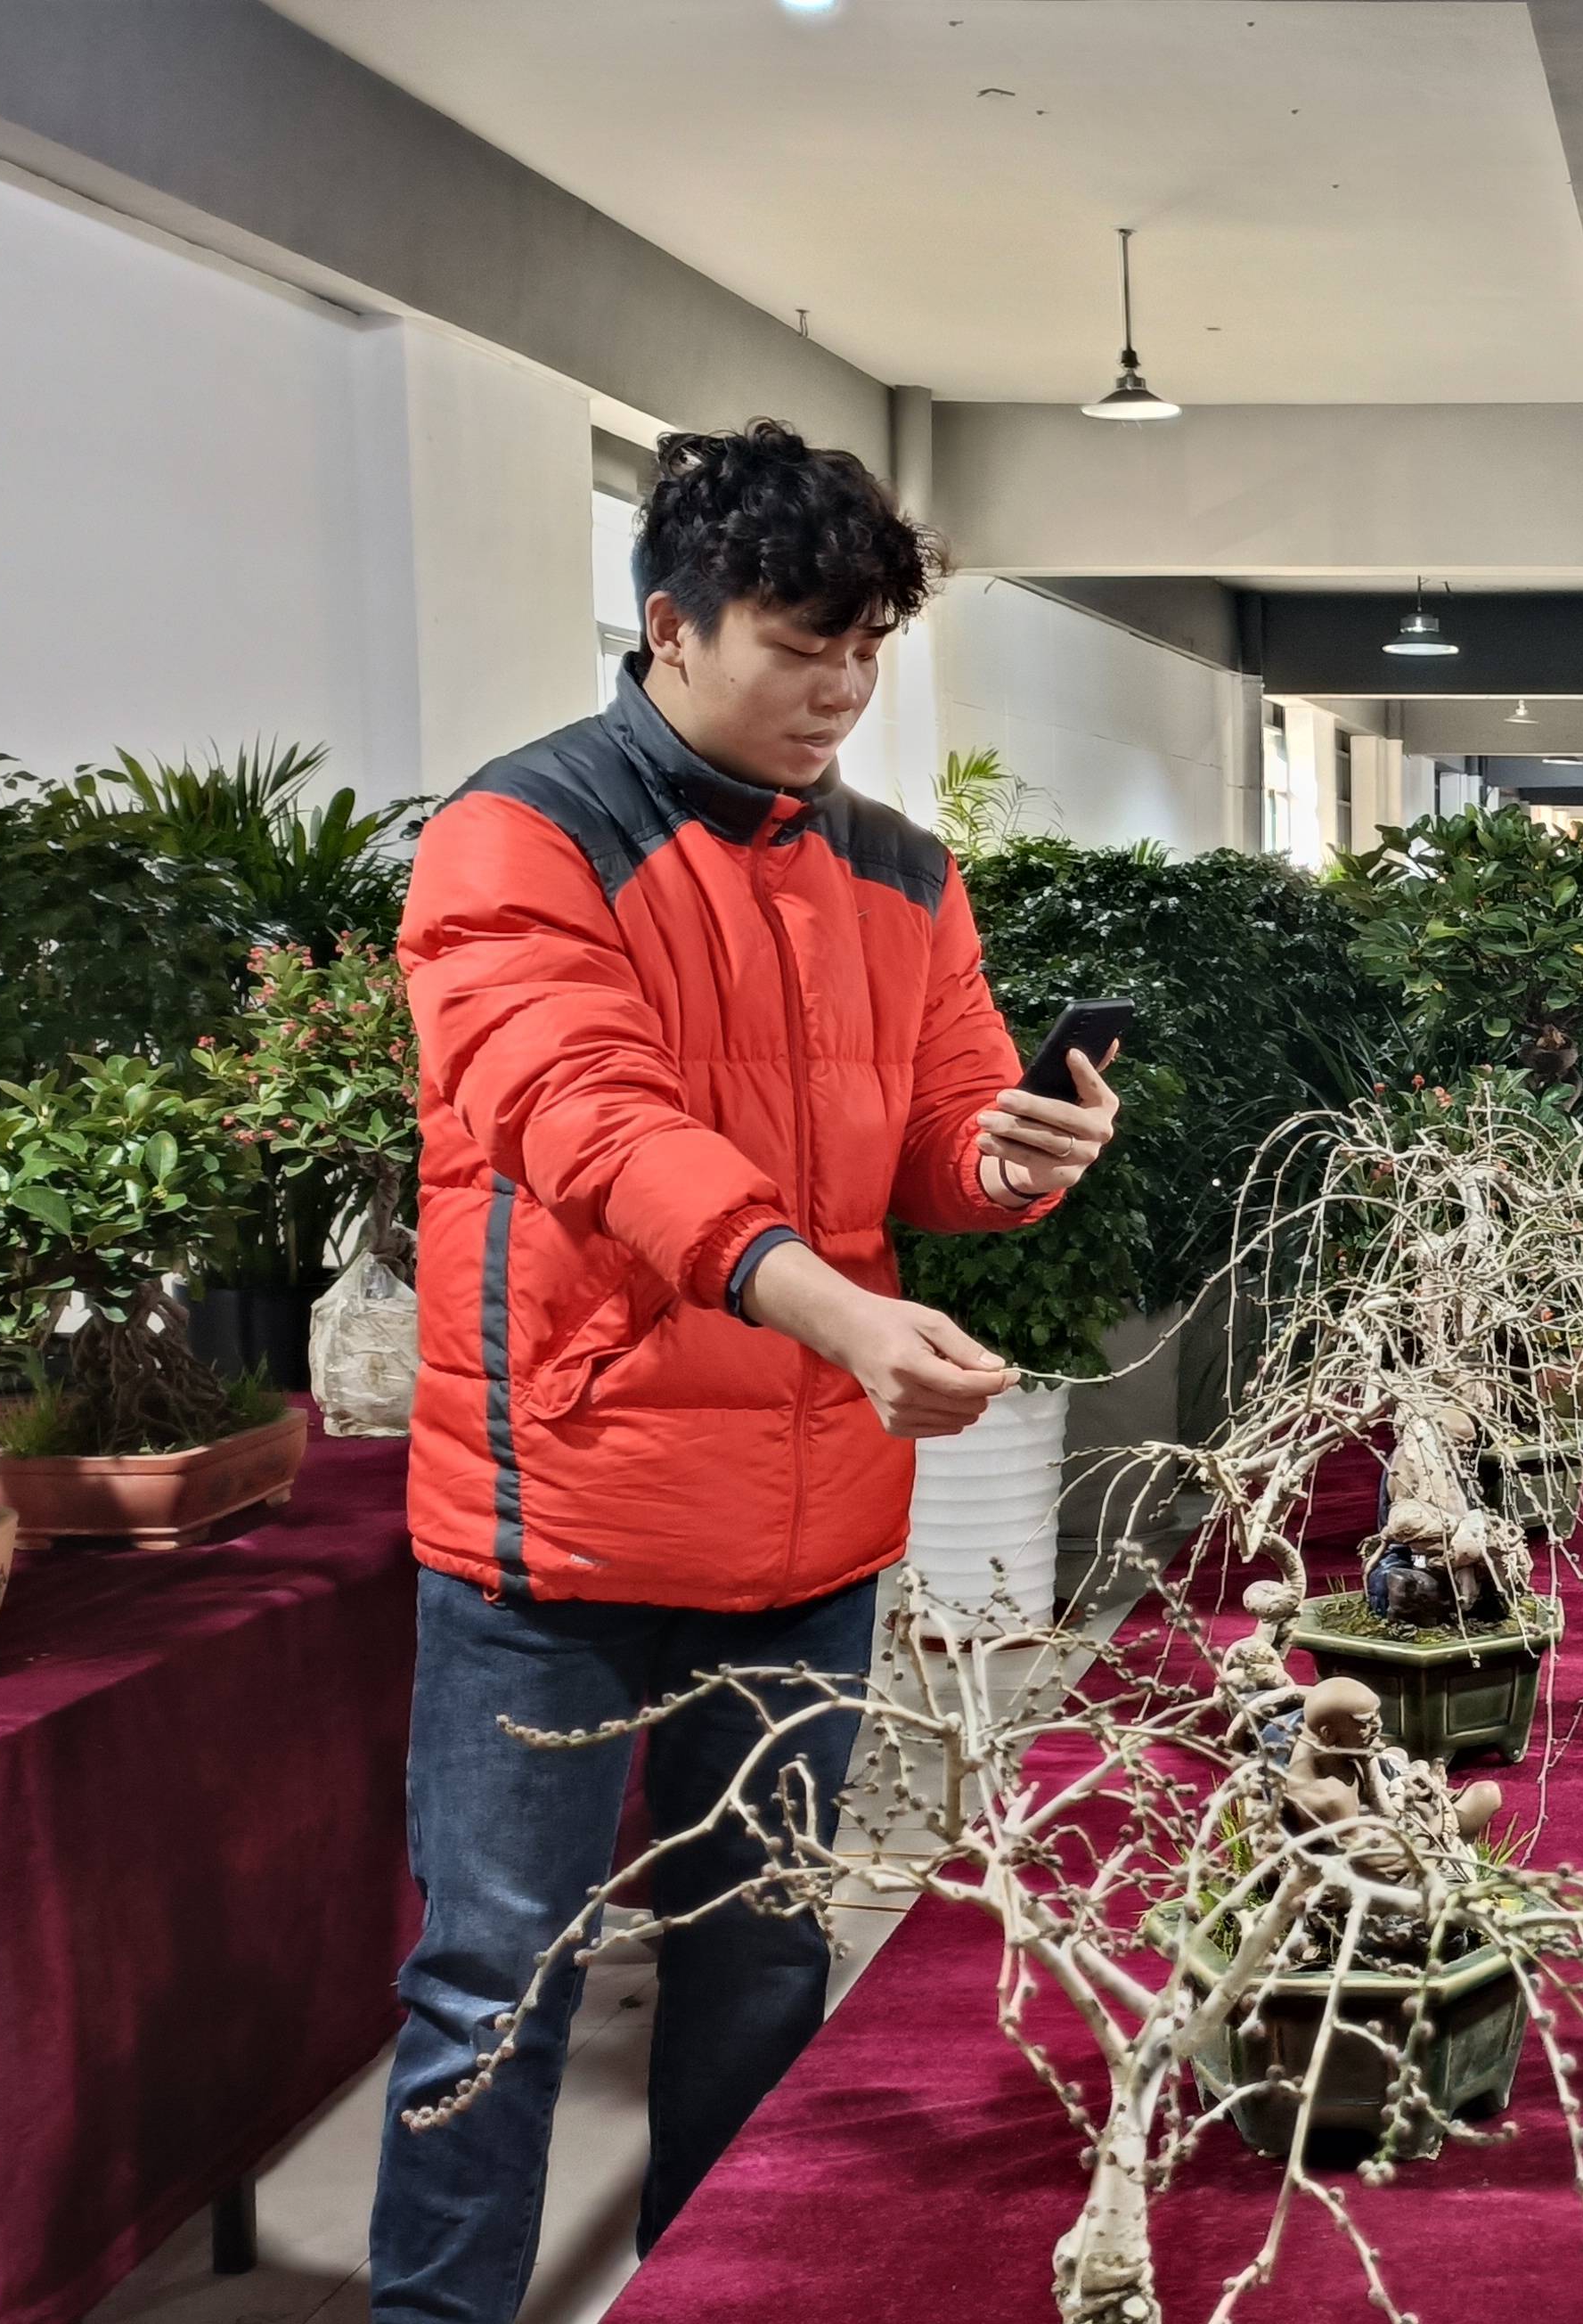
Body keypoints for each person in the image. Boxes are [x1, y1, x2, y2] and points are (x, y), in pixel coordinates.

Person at [371, 420, 1121, 2322]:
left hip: (804, 1529)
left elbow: (937, 1133)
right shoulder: (520, 834)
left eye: (864, 649)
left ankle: (721, 2290)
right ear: (668, 626)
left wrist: (1010, 1160)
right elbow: (591, 1120)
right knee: (494, 1976)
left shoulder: (899, 867)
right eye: (799, 646)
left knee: (765, 1954)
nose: (839, 690)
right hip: (557, 1518)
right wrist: (834, 1310)